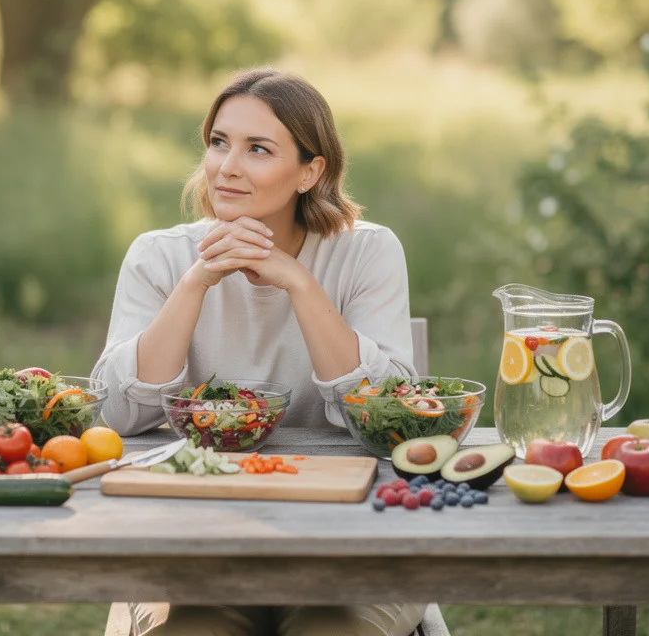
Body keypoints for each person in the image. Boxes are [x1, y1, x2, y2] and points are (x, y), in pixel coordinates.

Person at [91, 68, 425, 636]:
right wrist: (196, 281)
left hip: (349, 542)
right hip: (194, 545)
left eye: (258, 149)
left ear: (310, 171)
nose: (227, 166)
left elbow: (393, 418)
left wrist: (297, 282)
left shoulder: (367, 253)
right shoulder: (160, 257)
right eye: (219, 143)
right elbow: (117, 413)